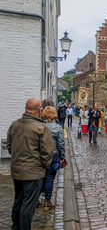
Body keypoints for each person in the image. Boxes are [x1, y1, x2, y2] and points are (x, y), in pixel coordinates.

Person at [6, 98, 54, 230]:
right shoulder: (40, 128)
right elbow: (47, 152)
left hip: (17, 170)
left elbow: (9, 146)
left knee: (18, 200)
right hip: (33, 172)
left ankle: (15, 227)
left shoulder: (14, 124)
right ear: (39, 111)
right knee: (28, 204)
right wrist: (44, 166)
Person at [40, 106, 65, 211]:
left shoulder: (39, 126)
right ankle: (47, 201)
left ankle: (38, 198)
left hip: (40, 154)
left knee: (41, 177)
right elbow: (61, 143)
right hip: (53, 154)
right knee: (50, 178)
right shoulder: (58, 127)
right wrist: (62, 157)